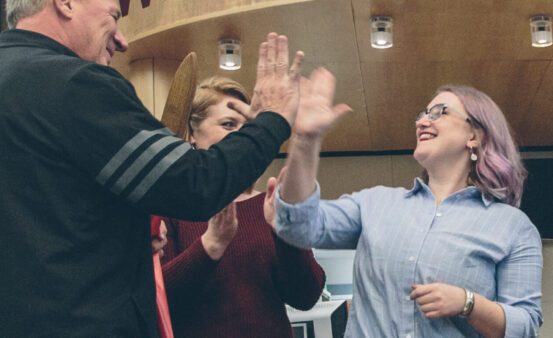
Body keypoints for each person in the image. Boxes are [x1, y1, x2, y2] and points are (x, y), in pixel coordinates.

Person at [0, 0, 305, 336]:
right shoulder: (74, 84)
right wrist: (271, 119)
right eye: (115, 17)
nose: (122, 41)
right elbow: (196, 182)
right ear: (67, 3)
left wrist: (122, 237)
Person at [270, 79, 543, 337]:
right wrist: (305, 141)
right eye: (422, 114)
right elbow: (298, 225)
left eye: (439, 112)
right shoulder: (374, 204)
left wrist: (468, 302)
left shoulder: (513, 227)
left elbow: (526, 325)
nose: (423, 121)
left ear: (475, 135)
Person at [152, 76, 326, 338]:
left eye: (249, 128)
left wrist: (286, 235)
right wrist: (210, 246)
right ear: (192, 135)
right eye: (228, 124)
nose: (243, 138)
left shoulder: (270, 206)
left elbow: (306, 296)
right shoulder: (172, 207)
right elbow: (157, 300)